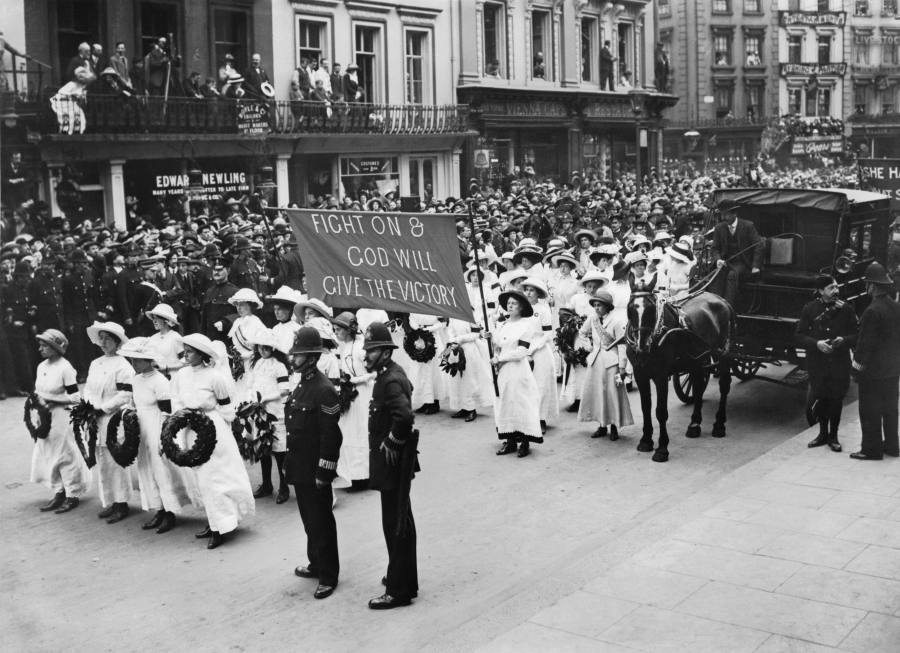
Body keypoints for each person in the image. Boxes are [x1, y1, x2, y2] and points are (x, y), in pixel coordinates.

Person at [173, 333, 255, 548]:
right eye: (185, 350)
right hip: (191, 427)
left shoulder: (215, 377)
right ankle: (213, 522)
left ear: (201, 355)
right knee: (201, 477)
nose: (186, 354)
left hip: (212, 428)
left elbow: (227, 408)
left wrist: (225, 432)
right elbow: (177, 399)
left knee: (215, 477)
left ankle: (222, 526)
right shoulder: (181, 374)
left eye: (190, 351)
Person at [362, 322, 419, 609]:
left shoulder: (390, 379)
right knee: (399, 520)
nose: (366, 355)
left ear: (385, 352)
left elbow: (405, 418)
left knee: (396, 524)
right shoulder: (386, 374)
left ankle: (399, 591)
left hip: (393, 462)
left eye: (371, 350)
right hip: (391, 462)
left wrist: (392, 442)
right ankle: (403, 576)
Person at [284, 325, 343, 600]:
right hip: (300, 466)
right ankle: (316, 563)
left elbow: (331, 436)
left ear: (311, 358)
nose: (292, 359)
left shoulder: (323, 389)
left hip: (316, 470)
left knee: (321, 522)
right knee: (309, 521)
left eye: (297, 355)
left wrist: (324, 471)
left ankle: (329, 575)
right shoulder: (303, 384)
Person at [121, 337, 199, 534]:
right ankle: (159, 509)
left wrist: (165, 437)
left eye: (138, 360)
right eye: (132, 360)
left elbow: (167, 412)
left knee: (161, 469)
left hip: (157, 426)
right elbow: (133, 404)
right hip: (142, 429)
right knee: (147, 469)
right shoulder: (136, 379)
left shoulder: (160, 381)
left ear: (149, 359)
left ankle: (170, 513)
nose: (134, 364)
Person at [30, 329, 91, 514]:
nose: (40, 348)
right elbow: (38, 390)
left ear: (56, 348)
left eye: (44, 345)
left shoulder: (66, 368)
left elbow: (75, 398)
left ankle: (73, 494)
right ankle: (59, 491)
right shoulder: (41, 366)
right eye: (40, 345)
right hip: (45, 416)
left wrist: (53, 401)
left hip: (62, 417)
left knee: (65, 453)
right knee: (48, 451)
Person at [795, 276, 858, 453]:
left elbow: (856, 335)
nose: (836, 291)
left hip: (839, 363)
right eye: (831, 288)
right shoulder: (810, 309)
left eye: (837, 287)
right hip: (817, 363)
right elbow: (798, 336)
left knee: (836, 400)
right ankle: (822, 434)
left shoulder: (846, 309)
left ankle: (834, 437)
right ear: (821, 291)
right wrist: (817, 344)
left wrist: (843, 340)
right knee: (821, 397)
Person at [83, 322, 134, 524]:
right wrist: (89, 406)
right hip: (95, 417)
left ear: (118, 341)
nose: (104, 342)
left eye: (108, 339)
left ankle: (122, 503)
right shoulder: (96, 363)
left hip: (113, 418)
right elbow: (87, 387)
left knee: (114, 460)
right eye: (101, 338)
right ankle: (111, 501)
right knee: (102, 460)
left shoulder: (123, 365)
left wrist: (103, 408)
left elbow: (125, 394)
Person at [850, 263, 900, 460]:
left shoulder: (871, 311)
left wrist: (856, 370)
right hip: (893, 369)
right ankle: (892, 447)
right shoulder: (896, 307)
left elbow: (864, 347)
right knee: (890, 410)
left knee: (870, 411)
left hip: (873, 373)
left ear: (871, 285)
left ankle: (871, 450)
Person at [493, 290, 543, 457]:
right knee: (505, 402)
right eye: (508, 303)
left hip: (517, 369)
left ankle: (524, 442)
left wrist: (501, 358)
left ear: (521, 306)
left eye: (514, 303)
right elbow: (498, 346)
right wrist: (494, 351)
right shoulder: (502, 325)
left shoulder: (526, 325)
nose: (510, 305)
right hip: (502, 371)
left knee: (520, 402)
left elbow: (522, 351)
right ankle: (510, 441)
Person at [577, 290, 633, 439]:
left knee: (612, 393)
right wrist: (588, 347)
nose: (596, 308)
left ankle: (614, 425)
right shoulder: (592, 319)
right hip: (595, 361)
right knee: (597, 394)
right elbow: (582, 332)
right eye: (594, 305)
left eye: (599, 305)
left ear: (607, 306)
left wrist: (622, 366)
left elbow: (622, 345)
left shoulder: (617, 321)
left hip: (612, 363)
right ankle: (602, 425)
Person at [245, 328, 292, 504]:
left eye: (266, 348)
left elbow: (284, 390)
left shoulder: (280, 366)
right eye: (260, 347)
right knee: (263, 449)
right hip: (259, 412)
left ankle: (284, 486)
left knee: (279, 452)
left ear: (274, 349)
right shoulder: (256, 364)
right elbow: (250, 384)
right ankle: (266, 484)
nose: (263, 351)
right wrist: (250, 396)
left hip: (275, 411)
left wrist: (265, 398)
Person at [332, 312, 373, 488]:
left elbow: (373, 371)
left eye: (338, 329)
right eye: (334, 330)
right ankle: (354, 475)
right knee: (350, 433)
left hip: (363, 394)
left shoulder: (361, 347)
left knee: (362, 431)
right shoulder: (344, 347)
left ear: (348, 330)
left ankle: (366, 475)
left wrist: (354, 381)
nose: (336, 333)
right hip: (350, 396)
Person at [520, 277, 559, 434]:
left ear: (538, 293)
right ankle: (527, 418)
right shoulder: (521, 309)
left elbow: (547, 335)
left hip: (540, 351)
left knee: (540, 385)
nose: (528, 293)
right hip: (522, 348)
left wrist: (532, 349)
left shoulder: (543, 310)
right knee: (525, 385)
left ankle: (541, 419)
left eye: (532, 290)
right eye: (526, 289)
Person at [710, 199, 764, 308]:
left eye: (726, 214)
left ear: (734, 213)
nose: (723, 217)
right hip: (726, 261)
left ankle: (727, 308)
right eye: (721, 214)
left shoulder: (748, 226)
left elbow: (759, 245)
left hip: (743, 262)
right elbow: (714, 248)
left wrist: (755, 266)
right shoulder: (719, 228)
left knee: (732, 275)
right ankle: (716, 305)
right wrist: (718, 259)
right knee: (717, 274)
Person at [225, 288, 265, 367]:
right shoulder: (237, 322)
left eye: (242, 304)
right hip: (238, 362)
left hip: (251, 362)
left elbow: (260, 346)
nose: (238, 308)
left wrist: (246, 355)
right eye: (237, 304)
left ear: (250, 305)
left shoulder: (256, 322)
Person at [146, 304, 184, 377]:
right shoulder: (152, 338)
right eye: (153, 318)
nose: (154, 321)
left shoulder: (175, 337)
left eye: (157, 318)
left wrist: (167, 367)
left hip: (172, 377)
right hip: (155, 376)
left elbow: (185, 362)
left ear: (166, 320)